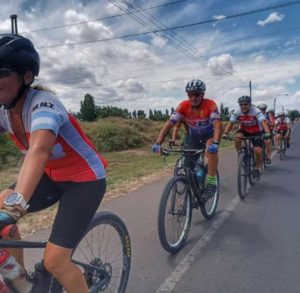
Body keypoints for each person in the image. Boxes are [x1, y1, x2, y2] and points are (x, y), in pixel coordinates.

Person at [0, 34, 107, 293]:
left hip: (84, 180)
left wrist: (16, 205)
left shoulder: (44, 104)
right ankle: (22, 284)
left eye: (1, 72)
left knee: (55, 260)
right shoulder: (3, 110)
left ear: (27, 77)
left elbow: (39, 150)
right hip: (51, 176)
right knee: (2, 210)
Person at [152, 79, 222, 199]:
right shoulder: (183, 105)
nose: (193, 98)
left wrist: (215, 143)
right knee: (187, 168)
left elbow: (217, 125)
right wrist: (158, 142)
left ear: (203, 94)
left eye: (197, 94)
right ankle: (193, 189)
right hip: (193, 137)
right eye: (190, 94)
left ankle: (211, 182)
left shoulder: (210, 105)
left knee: (211, 150)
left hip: (209, 135)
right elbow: (170, 123)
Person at [222, 96, 271, 179]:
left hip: (256, 132)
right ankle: (240, 154)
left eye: (245, 104)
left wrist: (267, 132)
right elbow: (231, 123)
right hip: (244, 130)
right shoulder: (237, 111)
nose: (243, 106)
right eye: (241, 105)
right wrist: (225, 133)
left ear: (250, 104)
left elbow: (263, 123)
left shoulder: (256, 111)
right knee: (237, 137)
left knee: (258, 151)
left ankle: (257, 168)